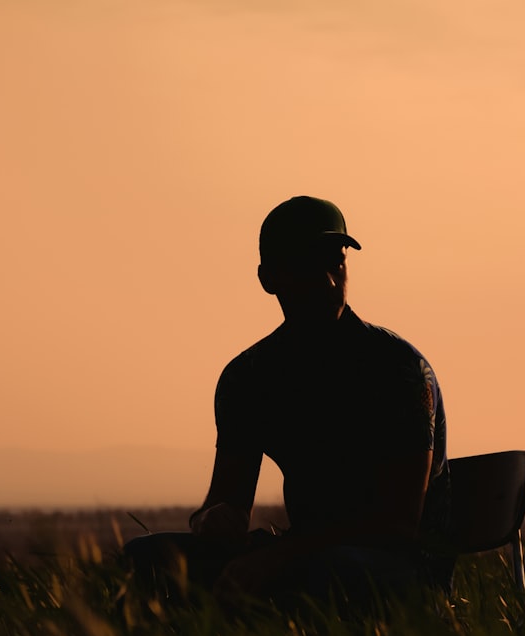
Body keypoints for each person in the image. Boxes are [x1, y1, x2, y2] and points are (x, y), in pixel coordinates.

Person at [124, 195, 452, 614]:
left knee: (323, 574)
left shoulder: (399, 370)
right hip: (307, 557)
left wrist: (280, 554)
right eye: (309, 267)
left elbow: (398, 524)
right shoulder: (249, 378)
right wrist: (213, 521)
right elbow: (226, 501)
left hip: (403, 570)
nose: (330, 281)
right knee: (148, 558)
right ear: (268, 278)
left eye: (336, 262)